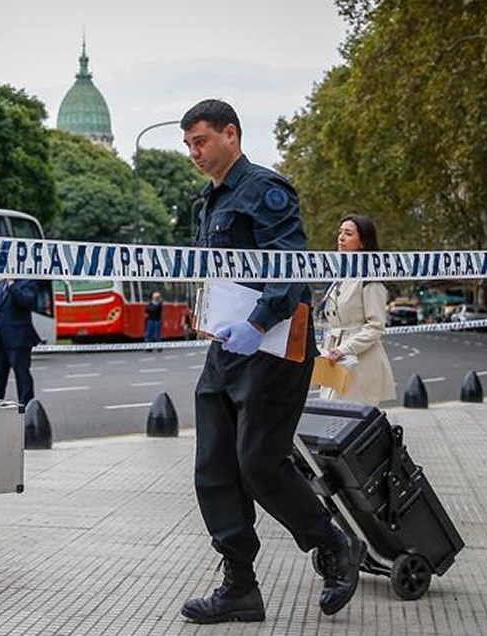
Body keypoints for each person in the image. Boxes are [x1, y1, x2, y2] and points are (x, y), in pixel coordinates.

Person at [178, 99, 363, 624]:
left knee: (258, 463)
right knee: (214, 467)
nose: (194, 153)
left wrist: (257, 323)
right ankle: (239, 585)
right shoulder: (207, 201)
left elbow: (289, 264)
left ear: (231, 135)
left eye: (201, 141)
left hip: (275, 343)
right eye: (188, 145)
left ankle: (332, 542)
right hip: (227, 347)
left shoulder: (264, 189)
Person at [318, 214, 396, 406]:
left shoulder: (370, 279)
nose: (341, 238)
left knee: (351, 417)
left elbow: (375, 326)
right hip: (334, 359)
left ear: (363, 243)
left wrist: (344, 349)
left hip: (360, 363)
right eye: (340, 232)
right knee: (330, 412)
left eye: (348, 233)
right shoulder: (338, 275)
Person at [0, 278, 41, 406]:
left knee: (22, 376)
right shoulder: (0, 284)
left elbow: (25, 302)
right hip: (0, 340)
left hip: (18, 339)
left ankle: (26, 406)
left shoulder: (28, 283)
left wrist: (12, 285)